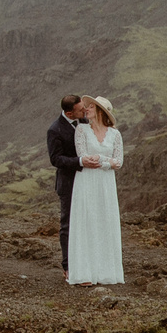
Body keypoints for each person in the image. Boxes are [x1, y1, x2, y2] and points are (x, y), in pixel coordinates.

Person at [67, 95, 125, 286]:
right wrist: (106, 161)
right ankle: (84, 273)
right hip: (86, 181)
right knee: (87, 221)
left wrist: (101, 160)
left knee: (104, 220)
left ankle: (105, 272)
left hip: (105, 183)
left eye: (91, 107)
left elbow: (119, 162)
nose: (86, 109)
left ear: (100, 111)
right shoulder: (81, 130)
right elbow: (83, 156)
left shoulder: (115, 134)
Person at [45, 94, 84, 267]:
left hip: (86, 181)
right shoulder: (55, 130)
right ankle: (68, 265)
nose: (85, 111)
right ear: (69, 113)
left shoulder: (83, 122)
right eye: (80, 109)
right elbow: (56, 159)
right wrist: (79, 162)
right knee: (67, 224)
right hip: (68, 183)